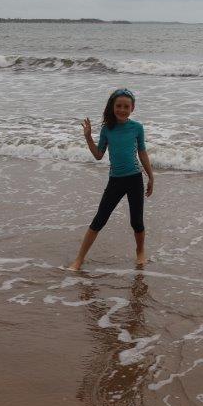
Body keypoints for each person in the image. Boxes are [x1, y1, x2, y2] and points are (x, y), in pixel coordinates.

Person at [68, 87, 153, 271]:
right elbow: (99, 155)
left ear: (132, 108)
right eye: (118, 106)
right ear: (112, 107)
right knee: (99, 220)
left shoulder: (137, 128)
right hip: (116, 180)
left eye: (126, 106)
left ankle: (140, 251)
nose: (122, 109)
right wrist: (88, 138)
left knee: (136, 222)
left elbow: (142, 153)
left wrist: (151, 177)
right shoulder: (107, 129)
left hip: (135, 179)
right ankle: (79, 260)